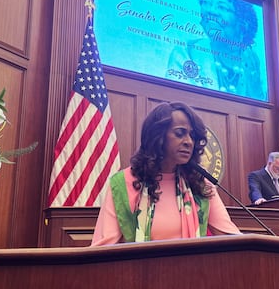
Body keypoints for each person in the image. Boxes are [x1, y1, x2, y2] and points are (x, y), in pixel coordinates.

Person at [91, 101, 241, 245]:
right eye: (180, 133)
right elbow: (103, 249)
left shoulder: (200, 183)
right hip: (139, 270)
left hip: (193, 270)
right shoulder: (122, 183)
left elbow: (229, 236)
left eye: (193, 136)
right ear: (158, 137)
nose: (189, 141)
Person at [166, 0, 265, 100]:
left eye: (222, 7)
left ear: (243, 22)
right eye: (207, 3)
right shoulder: (186, 52)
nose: (211, 11)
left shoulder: (253, 60)